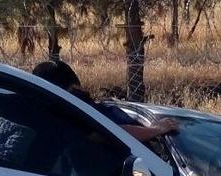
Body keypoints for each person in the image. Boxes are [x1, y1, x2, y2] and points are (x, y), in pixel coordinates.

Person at [31, 60, 179, 142]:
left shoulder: (36, 115)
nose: (83, 92)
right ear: (73, 86)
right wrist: (155, 130)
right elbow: (112, 131)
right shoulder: (74, 113)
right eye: (77, 89)